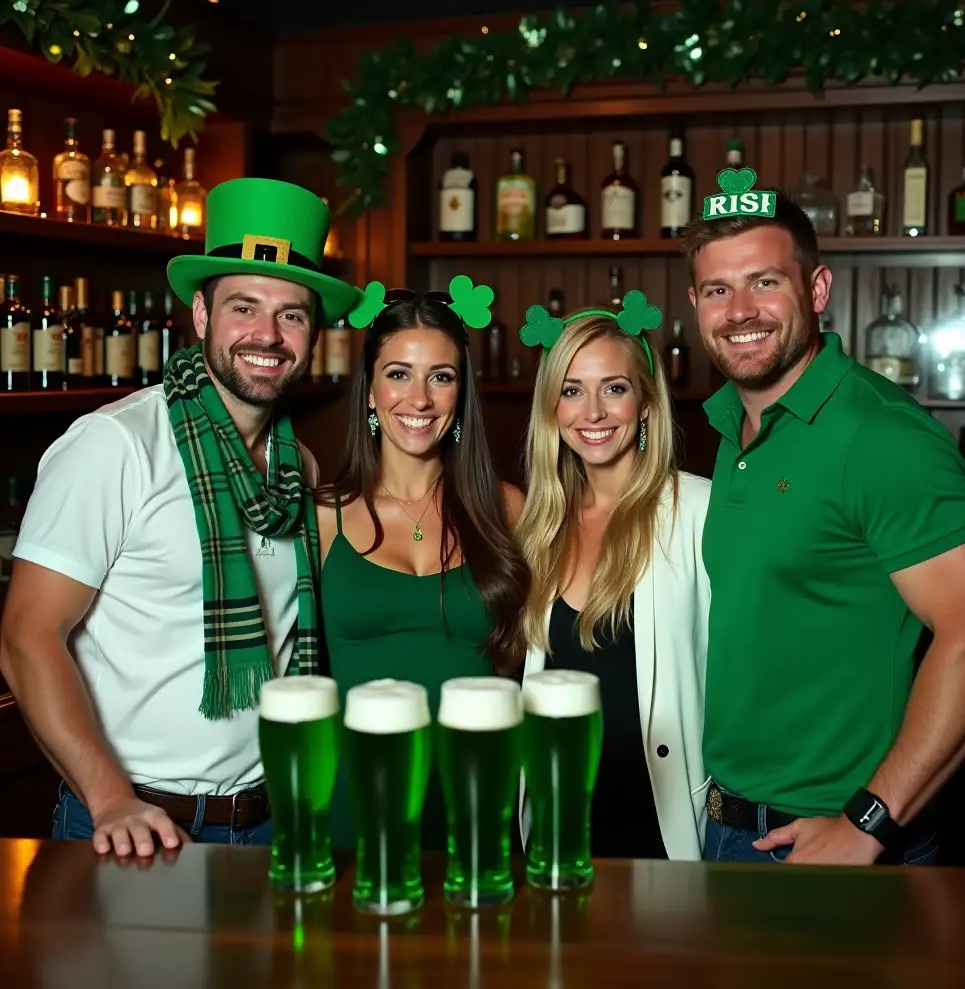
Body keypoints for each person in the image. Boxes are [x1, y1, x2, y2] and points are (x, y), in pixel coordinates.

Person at [0, 178, 359, 856]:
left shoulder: (297, 467)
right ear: (200, 314)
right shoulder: (117, 445)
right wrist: (110, 801)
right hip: (135, 822)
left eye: (292, 315)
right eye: (243, 307)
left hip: (269, 820)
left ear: (312, 332)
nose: (267, 335)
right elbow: (26, 636)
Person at [682, 172, 965, 865]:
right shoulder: (729, 426)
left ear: (817, 290)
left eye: (764, 282)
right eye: (718, 290)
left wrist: (868, 822)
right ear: (695, 305)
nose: (740, 310)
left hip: (829, 838)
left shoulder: (879, 436)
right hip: (726, 823)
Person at [316, 276, 530, 851]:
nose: (419, 399)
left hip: (480, 802)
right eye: (398, 374)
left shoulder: (507, 509)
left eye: (441, 377)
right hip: (355, 804)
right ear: (369, 391)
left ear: (461, 394)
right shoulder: (324, 517)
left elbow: (529, 652)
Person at [515, 293, 712, 860]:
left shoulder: (699, 510)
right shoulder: (538, 525)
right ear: (552, 409)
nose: (593, 412)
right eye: (572, 391)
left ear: (647, 405)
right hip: (556, 830)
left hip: (663, 828)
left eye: (615, 388)